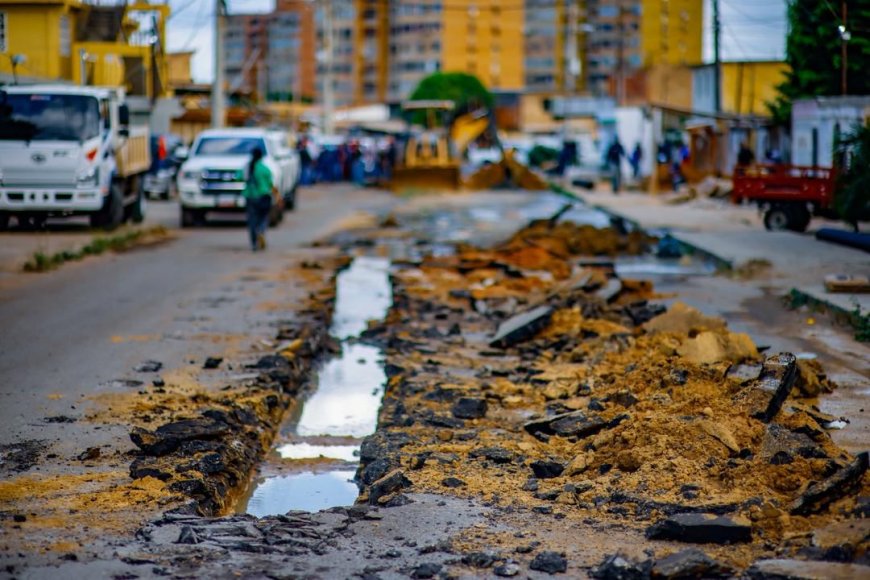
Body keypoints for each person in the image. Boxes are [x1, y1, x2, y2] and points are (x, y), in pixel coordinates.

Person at [243, 148, 274, 252]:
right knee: (263, 217)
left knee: (252, 220)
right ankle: (261, 231)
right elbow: (271, 184)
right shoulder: (264, 169)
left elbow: (238, 176)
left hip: (250, 196)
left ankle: (254, 243)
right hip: (263, 196)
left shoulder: (247, 167)